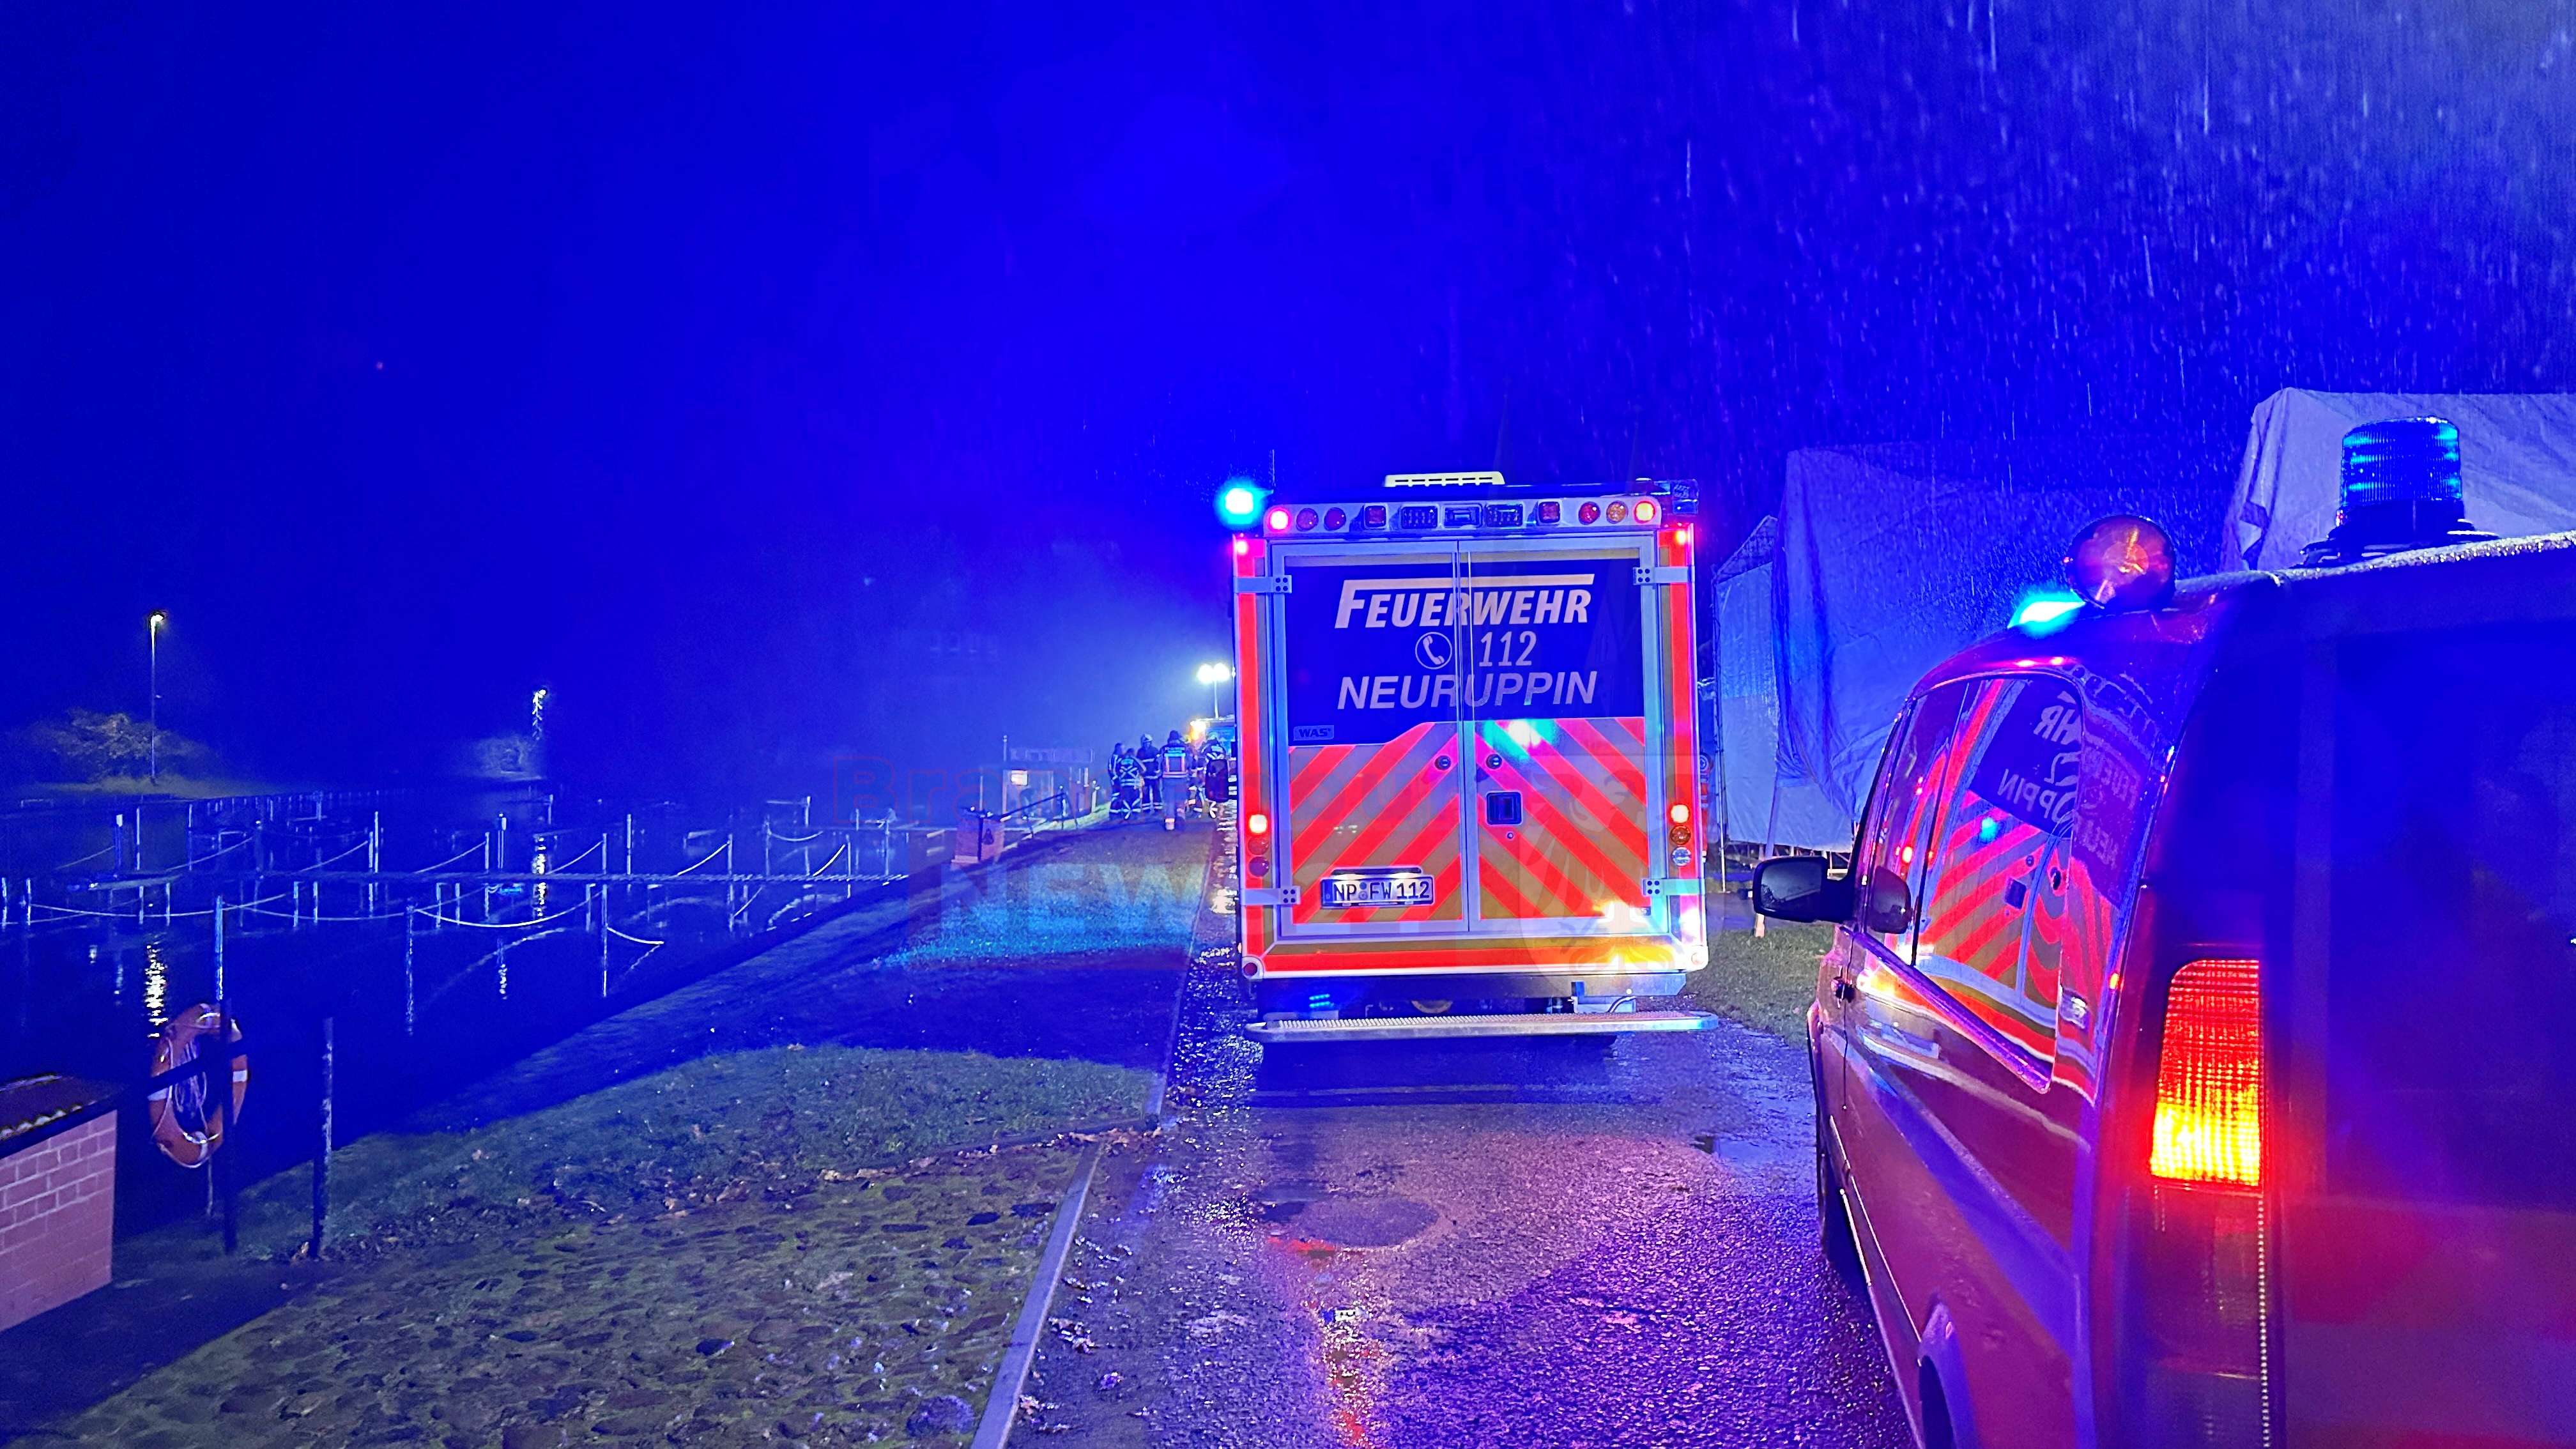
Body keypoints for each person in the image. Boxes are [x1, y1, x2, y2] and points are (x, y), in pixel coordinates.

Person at [1160, 729, 1192, 830]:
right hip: (1182, 780)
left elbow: (1158, 763)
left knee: (1170, 802)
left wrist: (1159, 775)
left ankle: (1169, 826)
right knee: (1180, 801)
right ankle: (1180, 823)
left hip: (1168, 781)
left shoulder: (1164, 749)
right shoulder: (1184, 748)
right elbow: (1190, 762)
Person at [1135, 734, 1163, 825]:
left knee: (1156, 792)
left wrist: (1158, 773)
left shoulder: (1155, 751)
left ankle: (1158, 809)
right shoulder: (1140, 752)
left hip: (1154, 777)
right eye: (1145, 743)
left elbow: (1158, 762)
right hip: (1145, 778)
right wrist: (1140, 775)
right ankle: (1146, 810)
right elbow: (1138, 765)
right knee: (1145, 793)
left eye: (1148, 743)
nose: (1146, 745)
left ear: (1151, 743)